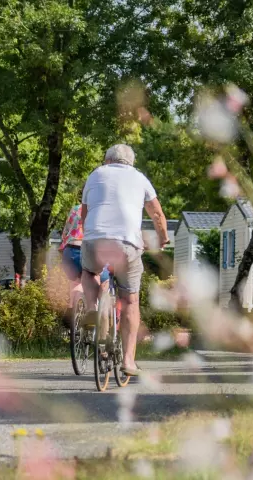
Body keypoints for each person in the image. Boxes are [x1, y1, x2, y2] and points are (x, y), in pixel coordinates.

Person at [80, 144, 169, 377]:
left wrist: (90, 235)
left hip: (94, 239)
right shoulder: (140, 179)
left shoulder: (95, 175)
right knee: (130, 300)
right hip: (127, 243)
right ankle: (128, 360)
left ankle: (92, 309)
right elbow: (157, 214)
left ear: (108, 160)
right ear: (131, 162)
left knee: (89, 273)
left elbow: (84, 214)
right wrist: (163, 238)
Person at [59, 189, 110, 314]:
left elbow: (65, 233)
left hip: (70, 251)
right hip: (90, 250)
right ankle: (97, 312)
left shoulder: (75, 209)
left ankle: (73, 311)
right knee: (102, 278)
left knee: (75, 283)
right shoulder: (101, 211)